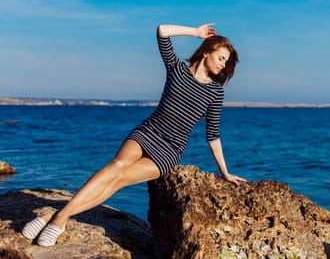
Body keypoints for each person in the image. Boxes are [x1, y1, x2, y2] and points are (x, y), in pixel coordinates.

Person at [22, 23, 246, 246]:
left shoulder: (215, 92)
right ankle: (59, 219)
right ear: (207, 52)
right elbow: (162, 31)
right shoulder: (176, 68)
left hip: (170, 150)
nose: (224, 64)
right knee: (115, 167)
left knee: (118, 181)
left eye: (227, 61)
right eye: (221, 58)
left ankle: (55, 216)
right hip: (148, 131)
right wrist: (195, 32)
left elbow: (213, 134)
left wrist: (224, 172)